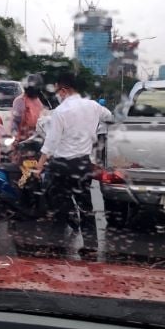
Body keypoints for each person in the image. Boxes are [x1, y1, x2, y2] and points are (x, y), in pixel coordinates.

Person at [34, 72, 112, 252]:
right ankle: (91, 248)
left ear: (63, 90)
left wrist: (38, 168)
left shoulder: (61, 111)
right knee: (86, 207)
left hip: (61, 166)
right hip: (83, 165)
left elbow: (51, 143)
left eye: (57, 92)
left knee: (58, 208)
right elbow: (108, 117)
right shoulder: (93, 106)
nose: (57, 95)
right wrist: (92, 132)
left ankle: (55, 247)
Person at [11, 74, 45, 144]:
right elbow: (15, 121)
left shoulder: (38, 101)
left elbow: (41, 119)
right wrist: (15, 136)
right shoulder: (20, 100)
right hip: (22, 139)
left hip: (36, 138)